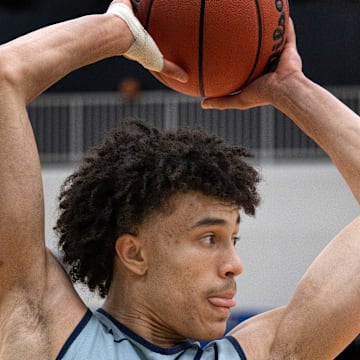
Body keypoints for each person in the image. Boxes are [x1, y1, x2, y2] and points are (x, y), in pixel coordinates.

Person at [0, 0, 359, 359]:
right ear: (134, 253)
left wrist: (291, 89)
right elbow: (5, 74)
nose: (235, 263)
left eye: (233, 238)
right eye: (209, 237)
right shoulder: (43, 330)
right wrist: (117, 30)